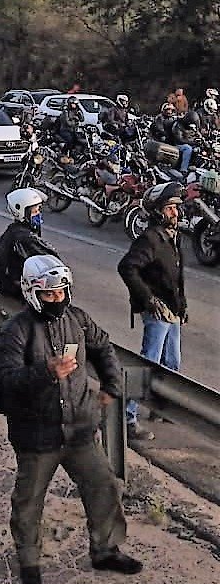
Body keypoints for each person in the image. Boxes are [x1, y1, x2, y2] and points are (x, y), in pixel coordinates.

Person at [0, 255, 143, 584]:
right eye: (49, 294)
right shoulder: (14, 332)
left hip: (80, 430)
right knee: (29, 501)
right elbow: (4, 381)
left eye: (62, 292)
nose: (58, 299)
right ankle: (28, 559)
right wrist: (45, 372)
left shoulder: (78, 320)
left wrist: (111, 387)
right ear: (32, 293)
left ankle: (105, 549)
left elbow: (104, 348)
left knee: (103, 486)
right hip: (38, 435)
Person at [118, 182, 187, 440]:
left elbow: (176, 276)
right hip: (157, 312)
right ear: (158, 211)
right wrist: (149, 301)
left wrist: (182, 307)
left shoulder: (172, 237)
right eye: (170, 208)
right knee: (148, 362)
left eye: (176, 208)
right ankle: (127, 417)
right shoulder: (150, 239)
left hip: (173, 311)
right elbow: (127, 267)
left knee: (172, 363)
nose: (175, 213)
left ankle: (159, 407)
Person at [0, 188, 60, 299]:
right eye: (35, 211)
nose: (38, 214)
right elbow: (52, 259)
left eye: (38, 210)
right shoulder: (24, 237)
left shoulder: (15, 230)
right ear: (22, 211)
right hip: (18, 292)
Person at [170, 110, 201, 174]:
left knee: (199, 148)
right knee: (188, 148)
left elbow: (197, 133)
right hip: (177, 145)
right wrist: (193, 142)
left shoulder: (191, 126)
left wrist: (200, 137)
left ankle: (196, 165)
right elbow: (179, 140)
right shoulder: (177, 125)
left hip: (190, 142)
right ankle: (183, 169)